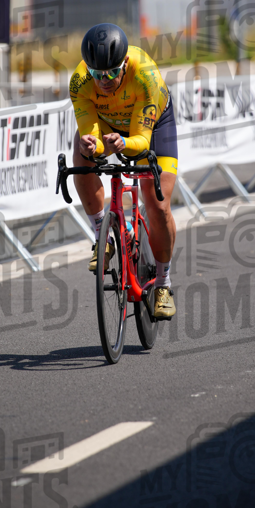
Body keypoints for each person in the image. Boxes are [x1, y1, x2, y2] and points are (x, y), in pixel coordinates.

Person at [69, 23, 178, 319]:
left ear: (125, 63)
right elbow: (91, 132)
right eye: (97, 74)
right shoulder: (79, 81)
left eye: (112, 73)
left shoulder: (144, 73)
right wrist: (93, 146)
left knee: (157, 205)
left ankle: (164, 283)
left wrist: (123, 143)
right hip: (108, 124)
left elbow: (140, 142)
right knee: (81, 155)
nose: (104, 80)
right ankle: (103, 235)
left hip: (152, 126)